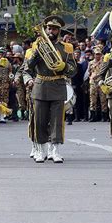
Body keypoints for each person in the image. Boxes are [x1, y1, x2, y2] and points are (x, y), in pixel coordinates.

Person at [23, 16, 77, 163]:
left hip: (58, 86)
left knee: (57, 121)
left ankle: (56, 151)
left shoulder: (66, 47)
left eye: (54, 28)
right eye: (48, 28)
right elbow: (27, 68)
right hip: (40, 86)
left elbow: (73, 70)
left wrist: (64, 67)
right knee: (40, 120)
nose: (50, 31)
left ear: (59, 31)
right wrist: (36, 53)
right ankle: (41, 151)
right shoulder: (37, 45)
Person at [87, 46, 108, 122]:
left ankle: (104, 116)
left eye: (99, 54)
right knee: (92, 100)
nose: (97, 55)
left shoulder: (103, 62)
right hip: (93, 82)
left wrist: (98, 75)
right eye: (96, 54)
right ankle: (93, 116)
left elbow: (105, 71)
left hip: (101, 82)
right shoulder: (90, 63)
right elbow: (89, 72)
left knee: (103, 100)